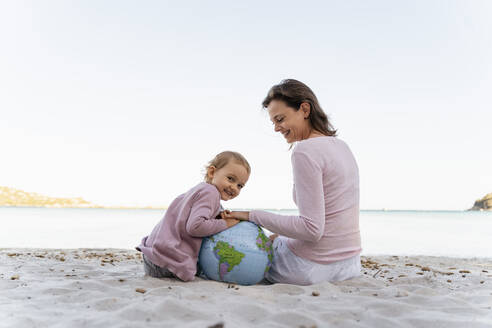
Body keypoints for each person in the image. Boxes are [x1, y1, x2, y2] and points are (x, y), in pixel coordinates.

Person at [224, 79, 362, 285]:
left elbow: (311, 230)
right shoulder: (343, 147)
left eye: (280, 119)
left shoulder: (305, 151)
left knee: (238, 249)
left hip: (309, 268)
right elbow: (328, 218)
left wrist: (251, 215)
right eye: (273, 122)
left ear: (304, 109)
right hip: (349, 265)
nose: (276, 128)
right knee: (276, 238)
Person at [136, 151, 250, 282]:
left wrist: (218, 217)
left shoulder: (201, 189)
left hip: (154, 257)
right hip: (164, 263)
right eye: (230, 179)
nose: (234, 187)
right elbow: (195, 227)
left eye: (240, 185)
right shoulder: (211, 193)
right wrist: (226, 224)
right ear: (212, 172)